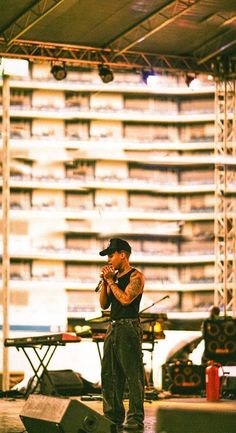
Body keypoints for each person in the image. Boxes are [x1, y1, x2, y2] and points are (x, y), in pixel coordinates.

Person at [98, 238, 145, 432]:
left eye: (111, 255)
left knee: (132, 375)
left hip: (128, 327)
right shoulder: (113, 279)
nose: (109, 260)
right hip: (113, 327)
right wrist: (105, 282)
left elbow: (126, 299)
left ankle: (135, 418)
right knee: (109, 374)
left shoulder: (136, 276)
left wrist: (111, 281)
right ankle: (112, 415)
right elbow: (104, 304)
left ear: (123, 255)